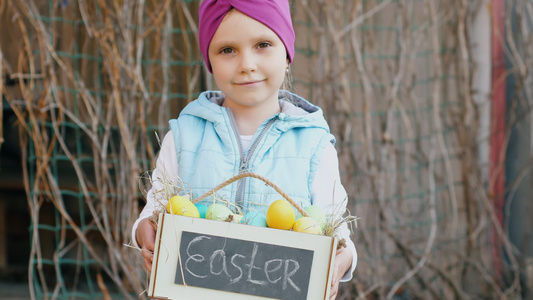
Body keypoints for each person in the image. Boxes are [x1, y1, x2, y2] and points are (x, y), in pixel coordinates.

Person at [131, 0, 357, 298]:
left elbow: (334, 225)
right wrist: (143, 231)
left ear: (287, 53)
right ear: (209, 59)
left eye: (263, 44)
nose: (246, 63)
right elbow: (154, 209)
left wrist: (344, 258)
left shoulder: (314, 145)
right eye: (227, 50)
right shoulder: (185, 137)